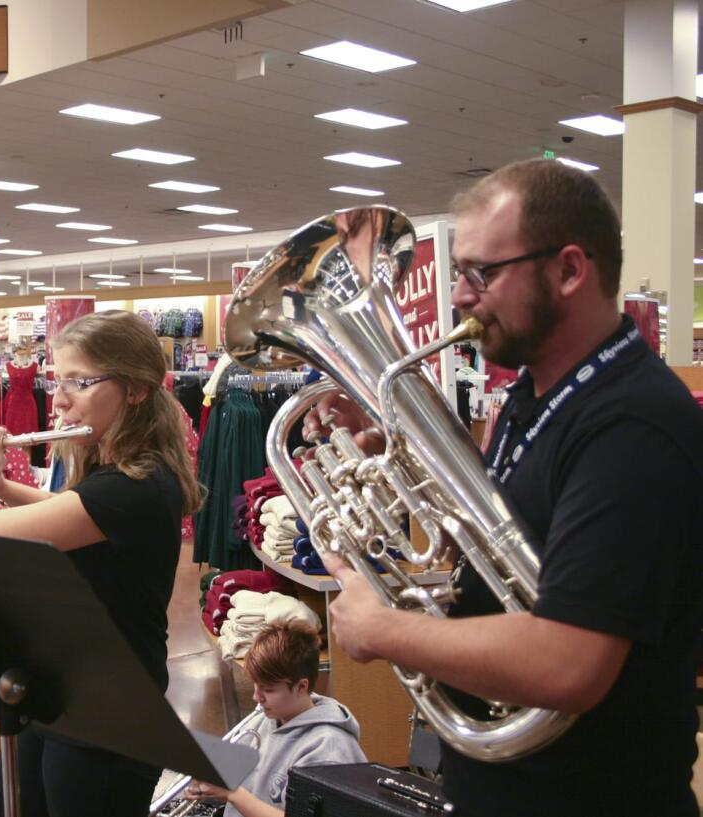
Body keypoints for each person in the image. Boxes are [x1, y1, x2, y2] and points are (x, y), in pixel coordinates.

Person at [306, 160, 703, 816]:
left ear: (569, 270)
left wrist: (381, 626)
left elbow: (567, 660)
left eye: (479, 273)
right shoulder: (538, 390)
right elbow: (505, 524)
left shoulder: (635, 425)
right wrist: (399, 442)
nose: (459, 294)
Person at [0, 310, 202, 817]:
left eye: (79, 382)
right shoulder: (117, 475)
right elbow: (66, 515)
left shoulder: (136, 484)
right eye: (56, 380)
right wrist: (0, 487)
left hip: (110, 708)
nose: (59, 399)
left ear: (134, 390)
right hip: (60, 685)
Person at [183, 621, 365, 817]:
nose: (256, 697)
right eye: (255, 685)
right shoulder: (267, 717)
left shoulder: (328, 750)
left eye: (268, 689)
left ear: (301, 687)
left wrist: (232, 793)